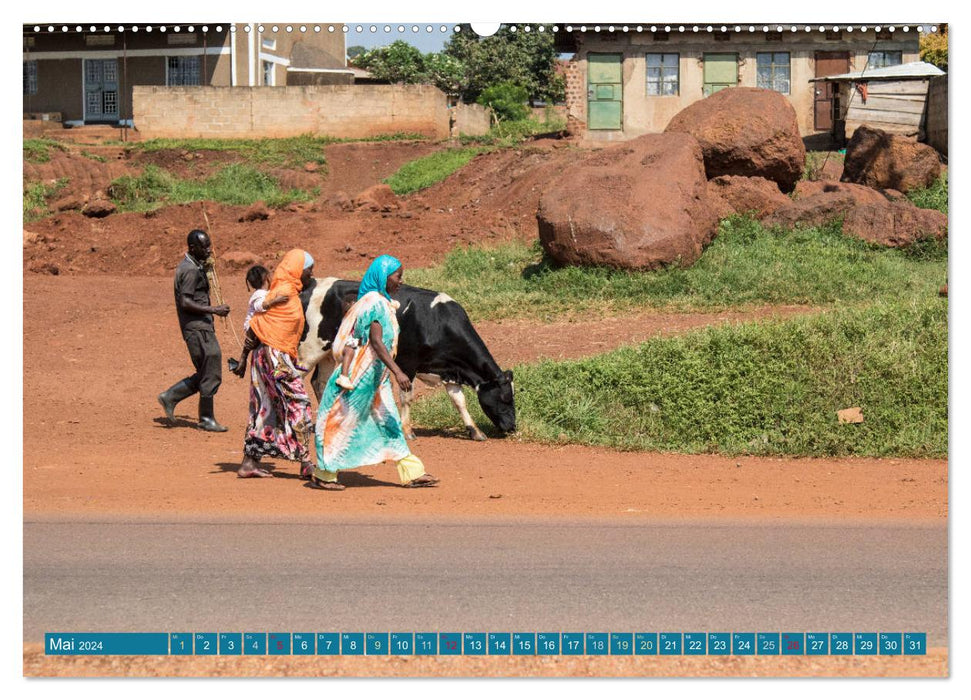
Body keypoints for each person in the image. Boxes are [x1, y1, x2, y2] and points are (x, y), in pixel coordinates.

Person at [312, 255, 439, 490]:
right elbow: (377, 342)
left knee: (389, 419)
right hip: (361, 374)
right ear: (383, 276)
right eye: (397, 276)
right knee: (342, 419)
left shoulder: (378, 301)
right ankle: (324, 474)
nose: (400, 281)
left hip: (375, 376)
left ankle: (412, 472)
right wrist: (399, 372)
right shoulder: (375, 303)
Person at [236, 249, 317, 479]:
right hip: (275, 357)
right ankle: (305, 461)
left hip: (262, 356)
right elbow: (256, 322)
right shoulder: (283, 293)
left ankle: (249, 463)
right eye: (308, 270)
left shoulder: (281, 291)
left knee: (264, 405)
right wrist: (243, 357)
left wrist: (244, 357)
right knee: (299, 403)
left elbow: (256, 325)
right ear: (297, 270)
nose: (311, 274)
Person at [157, 229, 231, 432]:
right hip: (197, 328)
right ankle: (205, 418)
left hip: (201, 326)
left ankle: (171, 396)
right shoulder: (189, 270)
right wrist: (214, 309)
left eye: (209, 245)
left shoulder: (194, 266)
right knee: (211, 368)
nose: (209, 250)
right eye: (204, 246)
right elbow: (185, 301)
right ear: (192, 248)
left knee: (208, 370)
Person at [229, 265, 287, 374]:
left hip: (257, 327)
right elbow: (259, 307)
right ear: (266, 279)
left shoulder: (264, 293)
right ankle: (272, 367)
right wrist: (275, 301)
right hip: (253, 327)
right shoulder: (259, 294)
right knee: (266, 341)